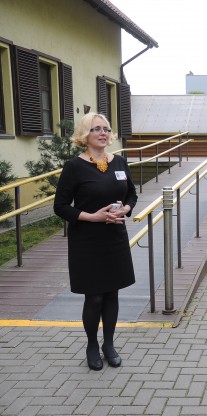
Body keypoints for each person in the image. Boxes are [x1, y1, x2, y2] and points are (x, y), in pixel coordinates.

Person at [54, 113, 137, 371]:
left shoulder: (119, 162)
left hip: (115, 238)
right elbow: (60, 206)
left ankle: (108, 344)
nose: (103, 133)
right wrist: (93, 217)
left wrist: (125, 209)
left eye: (106, 129)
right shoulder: (74, 167)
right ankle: (92, 345)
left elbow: (132, 195)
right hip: (87, 241)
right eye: (96, 129)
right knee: (94, 297)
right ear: (85, 135)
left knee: (112, 294)